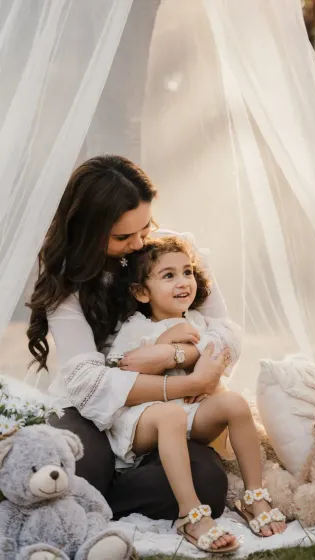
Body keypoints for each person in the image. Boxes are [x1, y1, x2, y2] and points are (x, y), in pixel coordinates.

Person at [26, 155, 230, 526]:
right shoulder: (67, 283)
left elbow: (226, 331)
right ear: (88, 230)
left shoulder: (172, 251)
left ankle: (98, 503)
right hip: (89, 408)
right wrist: (190, 382)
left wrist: (175, 351)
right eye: (123, 236)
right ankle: (96, 491)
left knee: (209, 483)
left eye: (145, 227)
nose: (139, 244)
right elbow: (86, 382)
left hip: (158, 413)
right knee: (79, 463)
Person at [104, 236, 286, 552]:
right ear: (141, 292)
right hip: (146, 419)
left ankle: (254, 494)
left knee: (235, 403)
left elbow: (215, 362)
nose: (183, 282)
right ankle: (190, 514)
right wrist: (166, 342)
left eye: (187, 272)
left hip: (190, 414)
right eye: (169, 275)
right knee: (172, 414)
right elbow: (121, 375)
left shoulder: (199, 322)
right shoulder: (134, 327)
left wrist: (210, 386)